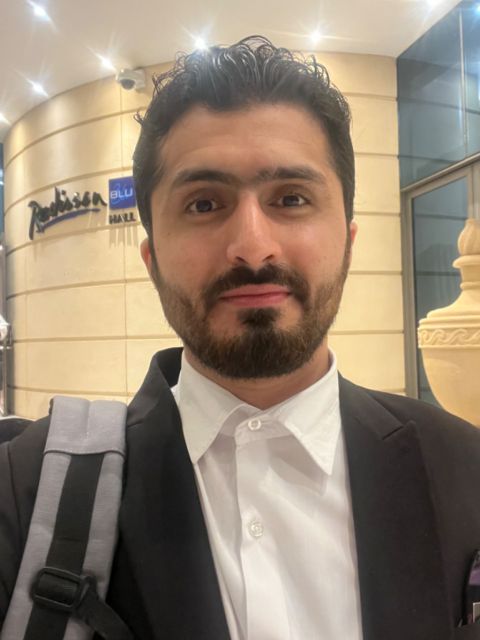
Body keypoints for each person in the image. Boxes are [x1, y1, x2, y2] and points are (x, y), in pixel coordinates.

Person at [1, 35, 480, 640]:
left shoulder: (464, 468)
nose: (253, 247)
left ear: (348, 241)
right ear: (152, 260)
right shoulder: (26, 492)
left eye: (292, 198)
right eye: (204, 204)